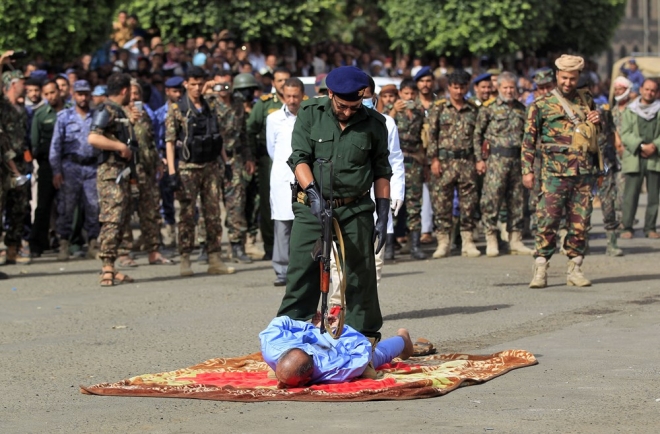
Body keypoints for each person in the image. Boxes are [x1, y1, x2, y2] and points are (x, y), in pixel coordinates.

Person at [277, 66, 392, 341]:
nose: (349, 112)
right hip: (312, 206)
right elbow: (299, 158)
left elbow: (381, 171)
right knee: (302, 273)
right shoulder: (310, 114)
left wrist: (384, 212)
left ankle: (362, 338)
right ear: (330, 94)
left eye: (355, 106)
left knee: (360, 274)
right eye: (343, 106)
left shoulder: (375, 124)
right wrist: (314, 195)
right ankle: (290, 338)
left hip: (355, 208)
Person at [522, 55, 601, 288]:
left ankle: (575, 268)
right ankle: (541, 268)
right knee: (547, 221)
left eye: (572, 78)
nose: (568, 82)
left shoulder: (587, 100)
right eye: (564, 78)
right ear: (557, 75)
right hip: (553, 174)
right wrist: (527, 170)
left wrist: (598, 121)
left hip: (583, 172)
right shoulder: (541, 104)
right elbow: (528, 141)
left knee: (580, 222)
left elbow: (594, 135)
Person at [165, 66, 235, 277]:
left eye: (199, 84)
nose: (196, 88)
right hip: (188, 168)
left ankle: (215, 257)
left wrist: (227, 162)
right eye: (192, 84)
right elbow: (169, 142)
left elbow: (218, 136)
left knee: (213, 214)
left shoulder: (210, 105)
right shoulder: (177, 108)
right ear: (186, 84)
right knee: (187, 215)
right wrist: (172, 172)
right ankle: (185, 258)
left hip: (211, 166)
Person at [259, 315, 414, 388]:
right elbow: (280, 322)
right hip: (330, 337)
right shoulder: (272, 348)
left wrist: (339, 329)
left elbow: (363, 350)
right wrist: (314, 328)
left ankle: (403, 339)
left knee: (369, 363)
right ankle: (402, 340)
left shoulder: (331, 369)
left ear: (307, 380)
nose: (279, 387)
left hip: (339, 345)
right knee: (368, 364)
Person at [473, 72, 532, 257]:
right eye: (505, 87)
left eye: (511, 87)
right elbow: (477, 135)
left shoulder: (522, 110)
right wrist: (479, 160)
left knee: (517, 201)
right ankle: (491, 237)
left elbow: (528, 138)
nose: (508, 91)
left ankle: (515, 239)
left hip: (517, 161)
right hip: (495, 161)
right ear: (498, 88)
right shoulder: (488, 109)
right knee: (491, 199)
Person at [88, 72, 137, 286]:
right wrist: (119, 146)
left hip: (122, 172)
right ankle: (106, 267)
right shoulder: (107, 109)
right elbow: (93, 137)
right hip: (110, 172)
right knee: (112, 218)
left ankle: (113, 265)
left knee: (122, 219)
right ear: (124, 90)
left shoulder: (119, 111)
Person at [117, 80, 173, 266]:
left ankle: (153, 250)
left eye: (137, 93)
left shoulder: (145, 115)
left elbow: (151, 141)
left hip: (147, 172)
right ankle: (124, 252)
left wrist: (158, 162)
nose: (134, 97)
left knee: (150, 212)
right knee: (125, 213)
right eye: (131, 93)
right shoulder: (119, 115)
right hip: (129, 172)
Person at [427, 71, 481, 258]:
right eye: (455, 87)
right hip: (444, 161)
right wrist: (433, 159)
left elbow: (478, 137)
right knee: (442, 202)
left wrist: (479, 159)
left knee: (469, 203)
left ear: (468, 87)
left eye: (462, 87)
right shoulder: (439, 108)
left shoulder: (473, 109)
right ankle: (443, 242)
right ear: (449, 87)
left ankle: (468, 240)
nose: (458, 91)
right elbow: (431, 135)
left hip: (467, 161)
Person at [50, 80, 100, 261]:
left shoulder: (97, 116)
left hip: (92, 167)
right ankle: (64, 243)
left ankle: (93, 243)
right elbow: (55, 145)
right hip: (70, 166)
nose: (83, 98)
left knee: (93, 206)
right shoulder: (64, 117)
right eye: (79, 94)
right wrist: (56, 170)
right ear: (74, 95)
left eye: (86, 94)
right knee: (67, 207)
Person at [247, 67, 291, 261]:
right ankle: (270, 246)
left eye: (286, 80)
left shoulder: (303, 104)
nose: (283, 84)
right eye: (279, 80)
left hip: (296, 160)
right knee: (269, 203)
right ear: (273, 83)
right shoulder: (265, 104)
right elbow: (250, 129)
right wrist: (251, 156)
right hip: (269, 160)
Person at [213, 71, 255, 264]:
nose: (224, 89)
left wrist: (248, 157)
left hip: (235, 158)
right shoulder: (209, 104)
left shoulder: (238, 104)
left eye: (227, 84)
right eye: (219, 85)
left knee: (237, 202)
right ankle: (209, 245)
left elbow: (244, 133)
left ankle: (237, 245)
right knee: (211, 203)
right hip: (213, 159)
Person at [267, 78, 305, 286]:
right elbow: (271, 150)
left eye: (295, 96)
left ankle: (303, 270)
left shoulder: (310, 116)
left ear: (302, 95)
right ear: (283, 95)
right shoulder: (273, 119)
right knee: (282, 223)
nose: (292, 100)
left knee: (305, 223)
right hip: (282, 177)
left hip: (305, 176)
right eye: (288, 96)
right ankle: (282, 270)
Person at [388, 79, 426, 260]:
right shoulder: (391, 111)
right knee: (392, 204)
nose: (409, 97)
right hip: (395, 163)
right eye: (406, 93)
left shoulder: (419, 113)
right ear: (400, 93)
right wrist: (395, 110)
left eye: (413, 94)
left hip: (414, 162)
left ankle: (415, 245)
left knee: (414, 205)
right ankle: (389, 245)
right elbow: (384, 129)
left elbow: (424, 136)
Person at [30, 79, 67, 258]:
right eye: (47, 94)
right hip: (47, 165)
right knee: (43, 205)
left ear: (59, 91)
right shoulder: (41, 114)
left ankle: (72, 241)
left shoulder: (69, 111)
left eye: (53, 92)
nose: (50, 97)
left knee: (71, 205)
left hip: (68, 163)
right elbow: (34, 142)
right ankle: (37, 243)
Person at [620, 78, 660, 239]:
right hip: (635, 157)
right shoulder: (631, 110)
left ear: (656, 93)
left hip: (655, 157)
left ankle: (650, 228)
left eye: (653, 90)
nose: (649, 93)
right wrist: (641, 146)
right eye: (647, 89)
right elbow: (625, 133)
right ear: (641, 89)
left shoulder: (658, 110)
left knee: (653, 196)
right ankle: (627, 227)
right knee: (630, 195)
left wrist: (654, 146)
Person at [0, 70, 30, 265]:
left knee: (20, 208)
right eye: (21, 82)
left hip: (20, 161)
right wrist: (1, 64)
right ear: (12, 84)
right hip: (4, 164)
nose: (24, 86)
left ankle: (13, 248)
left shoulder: (21, 110)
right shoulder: (3, 106)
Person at [154, 76, 183, 248]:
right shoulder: (159, 114)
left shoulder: (187, 109)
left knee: (187, 197)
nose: (178, 94)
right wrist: (161, 157)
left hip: (185, 157)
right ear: (167, 92)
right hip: (167, 158)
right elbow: (156, 138)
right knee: (166, 196)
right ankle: (169, 230)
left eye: (180, 91)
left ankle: (187, 233)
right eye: (174, 91)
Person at [412, 67, 436, 245]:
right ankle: (415, 232)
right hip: (416, 155)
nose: (425, 84)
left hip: (437, 154)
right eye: (422, 81)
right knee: (416, 195)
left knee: (434, 193)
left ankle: (429, 230)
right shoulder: (412, 105)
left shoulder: (439, 103)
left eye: (428, 81)